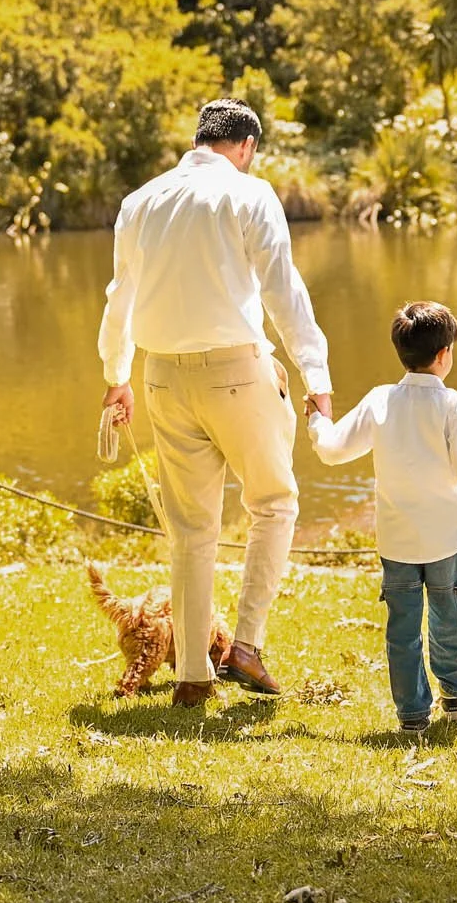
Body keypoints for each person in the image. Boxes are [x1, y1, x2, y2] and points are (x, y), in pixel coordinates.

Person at [97, 99, 332, 708]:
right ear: (247, 147)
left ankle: (193, 674)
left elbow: (121, 296)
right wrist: (315, 371)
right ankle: (246, 644)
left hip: (161, 379)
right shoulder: (249, 195)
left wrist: (116, 375)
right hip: (235, 370)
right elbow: (284, 290)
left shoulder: (140, 200)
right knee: (275, 505)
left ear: (199, 139)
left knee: (191, 533)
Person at [308, 301, 457, 735]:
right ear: (444, 355)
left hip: (397, 541)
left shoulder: (381, 400)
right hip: (442, 539)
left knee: (402, 629)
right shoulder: (454, 404)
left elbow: (332, 450)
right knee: (449, 614)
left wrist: (317, 422)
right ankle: (455, 696)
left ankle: (412, 715)